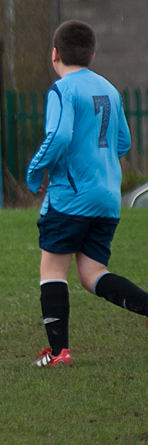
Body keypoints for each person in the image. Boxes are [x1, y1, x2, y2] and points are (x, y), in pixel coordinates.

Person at [26, 20, 148, 367]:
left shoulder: (63, 89)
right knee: (92, 273)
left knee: (52, 269)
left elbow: (60, 136)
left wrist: (36, 169)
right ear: (92, 55)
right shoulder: (109, 89)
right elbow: (123, 142)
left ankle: (58, 352)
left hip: (71, 196)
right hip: (107, 198)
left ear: (54, 54)